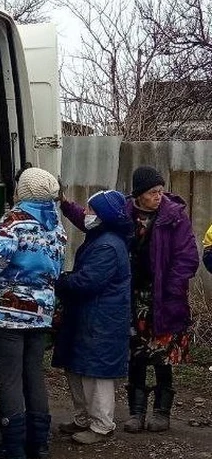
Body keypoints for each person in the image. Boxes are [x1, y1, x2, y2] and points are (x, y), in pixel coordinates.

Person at [61, 166, 198, 434]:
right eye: (152, 192)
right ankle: (136, 411)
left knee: (162, 355)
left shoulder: (174, 216)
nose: (158, 196)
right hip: (131, 293)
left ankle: (161, 411)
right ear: (139, 194)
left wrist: (172, 288)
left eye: (160, 191)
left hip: (164, 296)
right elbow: (91, 218)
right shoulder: (123, 212)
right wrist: (65, 204)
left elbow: (187, 257)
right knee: (134, 352)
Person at [0, 167, 67, 459]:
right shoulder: (54, 225)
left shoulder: (13, 222)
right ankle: (40, 445)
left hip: (8, 312)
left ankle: (14, 449)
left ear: (23, 191)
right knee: (33, 375)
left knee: (9, 379)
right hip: (41, 312)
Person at [52, 190, 132, 445]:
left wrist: (59, 280)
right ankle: (84, 418)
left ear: (103, 216)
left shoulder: (107, 245)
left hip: (100, 320)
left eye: (91, 210)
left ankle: (101, 425)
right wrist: (64, 203)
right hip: (92, 316)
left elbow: (88, 282)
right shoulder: (103, 236)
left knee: (96, 373)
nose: (86, 214)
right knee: (79, 368)